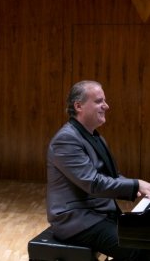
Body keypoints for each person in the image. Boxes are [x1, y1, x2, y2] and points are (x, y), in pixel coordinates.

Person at [46, 80, 150, 261]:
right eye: (99, 101)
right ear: (78, 106)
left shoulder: (93, 135)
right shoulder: (66, 140)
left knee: (144, 239)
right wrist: (135, 185)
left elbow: (111, 176)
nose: (106, 106)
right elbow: (93, 183)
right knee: (140, 248)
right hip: (76, 220)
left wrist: (142, 188)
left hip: (97, 214)